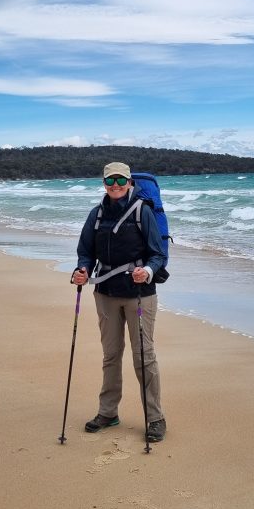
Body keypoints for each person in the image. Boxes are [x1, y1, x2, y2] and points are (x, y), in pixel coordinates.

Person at [71, 161, 167, 442]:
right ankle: (108, 412)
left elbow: (157, 254)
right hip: (106, 293)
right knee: (111, 356)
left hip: (140, 294)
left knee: (143, 357)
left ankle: (155, 418)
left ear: (129, 183)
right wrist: (82, 270)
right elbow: (85, 251)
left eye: (120, 181)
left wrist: (147, 271)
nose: (115, 186)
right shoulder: (96, 215)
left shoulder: (143, 212)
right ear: (104, 183)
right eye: (110, 181)